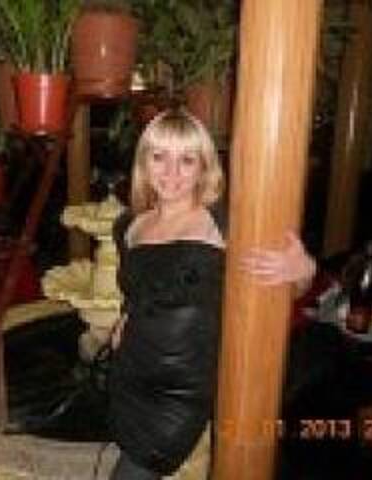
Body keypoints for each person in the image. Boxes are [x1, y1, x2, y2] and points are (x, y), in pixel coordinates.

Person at [108, 108, 316, 480]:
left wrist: (304, 271)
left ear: (204, 167)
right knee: (127, 453)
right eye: (159, 157)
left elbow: (282, 284)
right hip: (132, 372)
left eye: (187, 160)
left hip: (183, 392)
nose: (172, 172)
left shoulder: (224, 225)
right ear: (143, 163)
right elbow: (136, 288)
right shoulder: (129, 225)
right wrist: (124, 317)